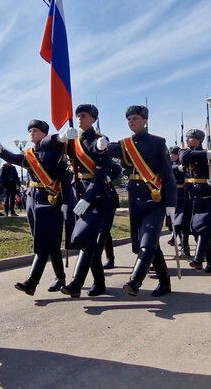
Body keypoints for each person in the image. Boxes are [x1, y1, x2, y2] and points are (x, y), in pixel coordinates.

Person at [97, 105, 176, 297]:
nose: (131, 122)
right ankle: (165, 282)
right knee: (146, 243)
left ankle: (134, 281)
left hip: (155, 198)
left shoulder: (157, 143)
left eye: (135, 118)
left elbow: (167, 174)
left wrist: (171, 202)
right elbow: (115, 150)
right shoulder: (126, 144)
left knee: (148, 239)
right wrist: (103, 146)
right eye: (129, 119)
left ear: (145, 120)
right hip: (135, 198)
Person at [0, 119, 73, 296]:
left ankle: (32, 282)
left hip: (50, 201)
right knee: (50, 244)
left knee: (43, 243)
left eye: (36, 130)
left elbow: (66, 180)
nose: (31, 133)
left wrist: (67, 203)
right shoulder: (29, 153)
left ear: (45, 133)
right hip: (32, 200)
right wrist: (0, 152)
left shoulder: (55, 150)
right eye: (29, 131)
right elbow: (16, 159)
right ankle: (60, 278)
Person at [61, 104, 117, 298]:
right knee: (89, 241)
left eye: (83, 115)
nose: (79, 118)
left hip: (100, 197)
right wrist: (62, 140)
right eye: (77, 115)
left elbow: (101, 173)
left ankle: (76, 283)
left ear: (93, 119)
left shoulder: (100, 141)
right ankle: (99, 283)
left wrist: (88, 197)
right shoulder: (73, 141)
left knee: (85, 238)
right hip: (79, 196)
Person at [179, 129, 211, 272]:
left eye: (191, 137)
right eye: (187, 137)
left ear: (198, 139)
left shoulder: (210, 156)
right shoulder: (186, 152)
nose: (187, 140)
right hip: (190, 194)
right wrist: (205, 154)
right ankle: (210, 261)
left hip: (206, 193)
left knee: (203, 227)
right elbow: (184, 157)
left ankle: (198, 259)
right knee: (194, 229)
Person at [168, 146, 190, 257]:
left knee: (181, 223)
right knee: (174, 223)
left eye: (174, 154)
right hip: (172, 195)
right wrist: (178, 168)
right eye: (170, 154)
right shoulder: (169, 164)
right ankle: (180, 244)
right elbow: (166, 169)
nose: (172, 156)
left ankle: (185, 248)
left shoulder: (184, 162)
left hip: (183, 194)